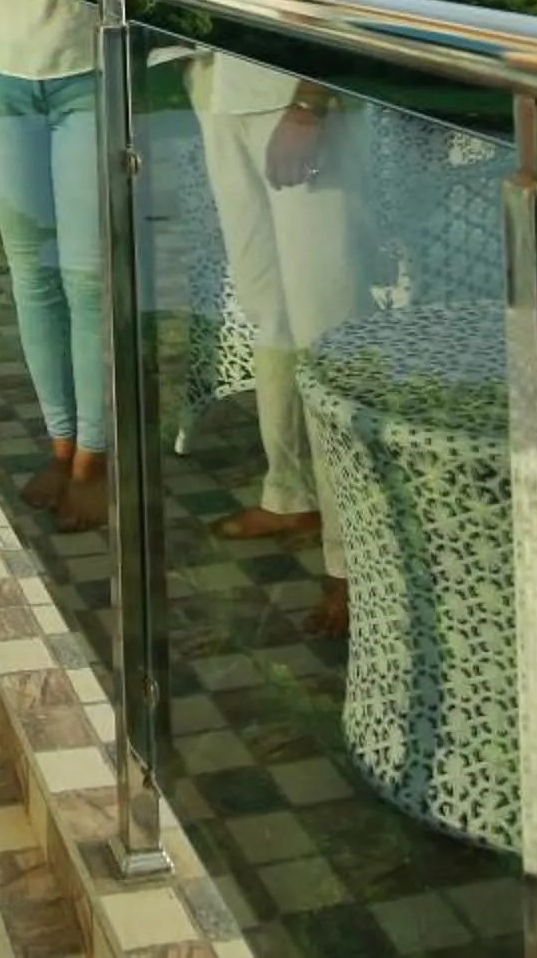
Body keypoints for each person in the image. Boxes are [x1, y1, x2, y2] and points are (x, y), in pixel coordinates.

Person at [185, 43, 368, 635]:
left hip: (290, 97)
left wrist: (311, 101)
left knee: (327, 329)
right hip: (219, 86)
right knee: (271, 313)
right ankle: (288, 493)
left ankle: (353, 562)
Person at [0, 0, 111, 532]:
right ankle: (62, 447)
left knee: (86, 280)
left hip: (89, 68)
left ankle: (95, 460)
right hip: (1, 72)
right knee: (31, 276)